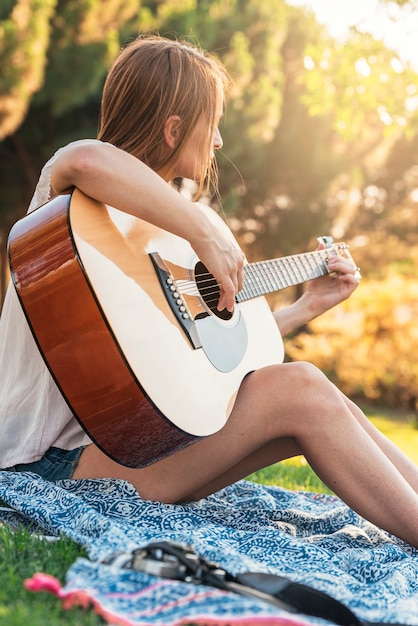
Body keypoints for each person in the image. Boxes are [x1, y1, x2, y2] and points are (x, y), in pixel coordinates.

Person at [1, 35, 417, 549]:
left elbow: (207, 352)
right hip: (52, 469)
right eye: (213, 123)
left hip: (129, 449)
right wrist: (204, 229)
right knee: (301, 387)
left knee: (321, 403)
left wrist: (306, 306)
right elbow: (85, 157)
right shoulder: (71, 207)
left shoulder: (161, 234)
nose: (219, 141)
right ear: (174, 129)